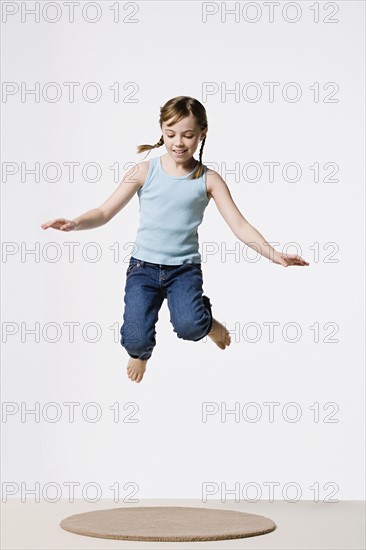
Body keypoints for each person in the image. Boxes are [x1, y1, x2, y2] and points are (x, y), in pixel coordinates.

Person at [41, 95, 309, 384]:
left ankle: (205, 320)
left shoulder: (209, 180)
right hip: (142, 269)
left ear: (202, 134)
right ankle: (140, 354)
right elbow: (105, 211)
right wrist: (75, 223)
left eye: (188, 135)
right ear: (162, 131)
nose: (178, 142)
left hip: (183, 271)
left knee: (191, 327)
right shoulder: (144, 171)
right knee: (134, 339)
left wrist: (273, 254)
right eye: (171, 135)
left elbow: (240, 225)